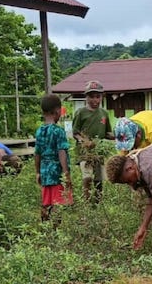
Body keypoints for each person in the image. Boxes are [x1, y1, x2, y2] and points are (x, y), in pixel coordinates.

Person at [72, 80, 115, 204]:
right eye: (91, 97)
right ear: (86, 97)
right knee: (87, 177)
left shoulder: (104, 114)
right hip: (85, 152)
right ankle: (86, 202)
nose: (95, 100)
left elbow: (107, 133)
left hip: (99, 152)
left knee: (99, 179)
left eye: (98, 97)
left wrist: (117, 136)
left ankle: (97, 203)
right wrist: (83, 141)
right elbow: (75, 132)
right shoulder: (80, 113)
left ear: (101, 97)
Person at [35, 94, 72, 225]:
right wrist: (66, 173)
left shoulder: (39, 131)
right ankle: (55, 229)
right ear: (57, 112)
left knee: (46, 202)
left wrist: (37, 172)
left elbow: (37, 153)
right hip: (57, 173)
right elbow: (61, 152)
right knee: (58, 203)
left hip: (45, 172)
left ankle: (45, 227)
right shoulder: (58, 131)